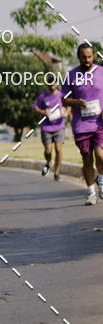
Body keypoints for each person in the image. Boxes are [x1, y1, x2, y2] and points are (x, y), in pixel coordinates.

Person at [61, 43, 103, 205]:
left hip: (99, 123)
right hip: (81, 126)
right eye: (84, 57)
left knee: (100, 155)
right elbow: (63, 98)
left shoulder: (101, 72)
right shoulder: (71, 75)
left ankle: (101, 179)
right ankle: (90, 191)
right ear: (79, 57)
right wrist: (76, 102)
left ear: (93, 56)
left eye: (90, 57)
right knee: (87, 159)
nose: (87, 60)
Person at [33, 81, 67, 180]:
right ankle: (48, 162)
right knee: (48, 150)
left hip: (59, 126)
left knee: (58, 149)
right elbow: (35, 108)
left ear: (57, 84)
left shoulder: (61, 95)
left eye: (53, 83)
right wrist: (43, 111)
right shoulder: (42, 96)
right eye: (49, 83)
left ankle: (56, 173)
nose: (52, 85)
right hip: (46, 127)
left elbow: (68, 106)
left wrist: (66, 112)